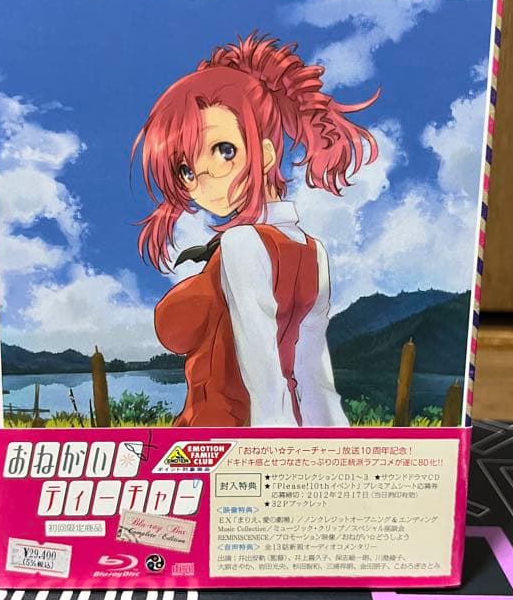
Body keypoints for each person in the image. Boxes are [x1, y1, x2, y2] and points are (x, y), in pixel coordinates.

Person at [132, 33, 379, 427]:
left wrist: (269, 447)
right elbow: (314, 377)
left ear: (264, 154)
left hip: (220, 434)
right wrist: (332, 441)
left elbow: (263, 373)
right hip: (260, 435)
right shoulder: (312, 250)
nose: (203, 177)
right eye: (185, 170)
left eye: (224, 150)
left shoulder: (242, 242)